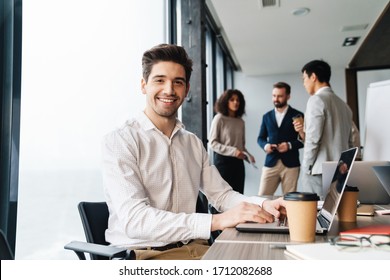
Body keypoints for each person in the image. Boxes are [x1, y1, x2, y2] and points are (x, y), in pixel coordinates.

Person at [102, 43, 286, 260]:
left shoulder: (192, 143)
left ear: (186, 90)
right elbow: (136, 220)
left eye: (177, 82)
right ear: (144, 85)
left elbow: (222, 195)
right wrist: (215, 222)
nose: (169, 90)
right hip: (146, 254)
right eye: (159, 80)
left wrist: (264, 204)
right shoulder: (121, 140)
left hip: (195, 248)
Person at [294, 59, 353, 197]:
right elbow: (350, 141)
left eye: (304, 79)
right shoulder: (344, 106)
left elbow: (313, 140)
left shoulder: (316, 100)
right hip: (340, 170)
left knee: (317, 215)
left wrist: (306, 167)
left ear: (313, 77)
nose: (304, 84)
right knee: (335, 214)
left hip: (318, 171)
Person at [257, 82, 304, 195]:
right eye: (274, 96)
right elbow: (260, 138)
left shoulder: (298, 115)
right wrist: (266, 146)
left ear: (288, 96)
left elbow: (303, 140)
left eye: (280, 96)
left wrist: (289, 145)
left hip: (291, 164)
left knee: (290, 201)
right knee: (262, 198)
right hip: (271, 162)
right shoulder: (266, 116)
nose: (276, 99)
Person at [208, 89, 254, 195]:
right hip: (223, 162)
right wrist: (234, 151)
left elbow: (241, 146)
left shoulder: (240, 122)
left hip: (238, 163)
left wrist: (248, 155)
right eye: (232, 100)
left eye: (238, 100)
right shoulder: (219, 118)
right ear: (226, 101)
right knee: (223, 195)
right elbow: (212, 143)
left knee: (238, 194)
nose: (236, 102)